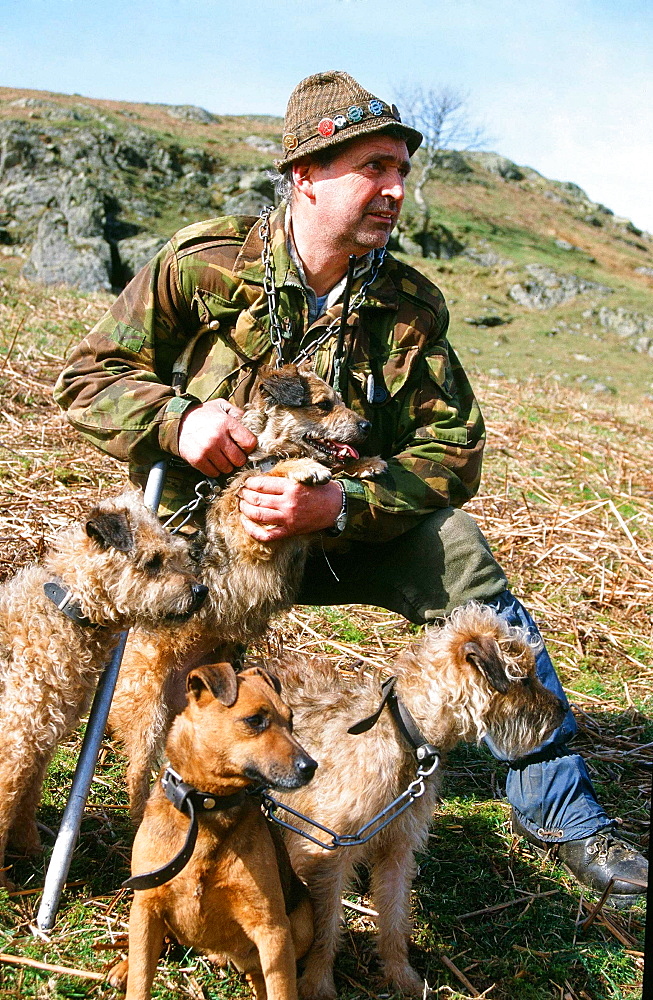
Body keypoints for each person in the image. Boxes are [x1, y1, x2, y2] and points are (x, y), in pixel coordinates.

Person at [54, 71, 647, 906]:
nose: (396, 188)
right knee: (165, 683)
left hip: (335, 539)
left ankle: (564, 818)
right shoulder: (204, 266)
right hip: (207, 550)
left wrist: (342, 505)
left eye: (402, 168)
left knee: (462, 560)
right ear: (306, 173)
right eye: (374, 167)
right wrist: (178, 420)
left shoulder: (407, 305)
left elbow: (452, 449)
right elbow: (88, 375)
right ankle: (153, 835)